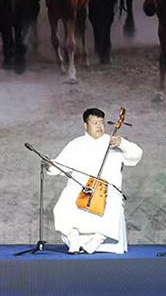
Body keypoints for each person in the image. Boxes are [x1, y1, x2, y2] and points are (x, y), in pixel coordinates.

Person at [47, 107, 142, 254]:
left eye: (101, 123)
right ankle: (74, 240)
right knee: (63, 204)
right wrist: (50, 166)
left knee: (113, 203)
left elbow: (136, 155)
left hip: (107, 191)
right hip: (81, 189)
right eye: (94, 122)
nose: (99, 126)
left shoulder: (113, 143)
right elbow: (60, 164)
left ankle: (96, 241)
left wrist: (122, 143)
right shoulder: (76, 144)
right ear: (86, 125)